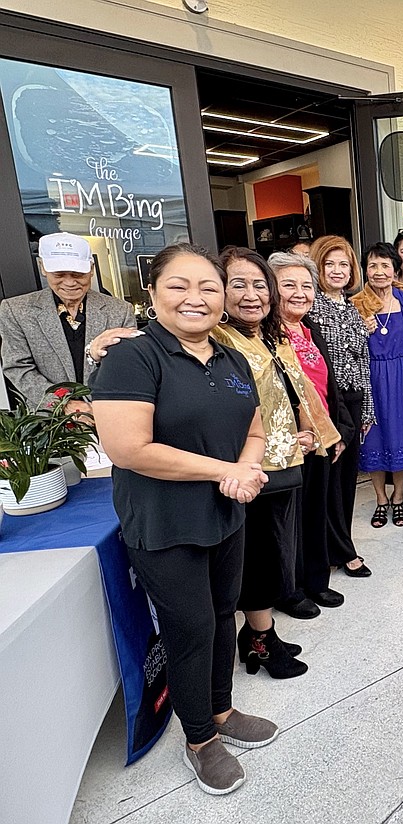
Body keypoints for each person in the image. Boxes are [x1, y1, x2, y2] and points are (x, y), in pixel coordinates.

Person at [90, 243, 278, 795]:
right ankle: (200, 739)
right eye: (179, 285)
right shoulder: (133, 355)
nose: (195, 298)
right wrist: (225, 469)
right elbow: (128, 448)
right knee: (190, 628)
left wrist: (244, 470)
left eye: (209, 287)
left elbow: (255, 428)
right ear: (151, 292)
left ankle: (220, 710)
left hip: (226, 512)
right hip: (165, 522)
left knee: (223, 614)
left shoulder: (232, 356)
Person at [217, 247, 334, 675]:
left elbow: (292, 389)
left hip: (283, 462)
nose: (251, 294)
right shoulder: (214, 337)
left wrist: (313, 432)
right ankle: (260, 639)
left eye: (259, 284)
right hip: (243, 465)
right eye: (238, 284)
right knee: (256, 555)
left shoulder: (266, 334)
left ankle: (258, 632)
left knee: (269, 549)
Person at [270, 252, 355, 613]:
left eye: (306, 285)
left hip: (320, 433)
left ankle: (316, 581)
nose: (299, 293)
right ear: (272, 289)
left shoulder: (309, 328)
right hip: (289, 439)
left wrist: (336, 430)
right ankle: (290, 590)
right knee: (290, 520)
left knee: (318, 509)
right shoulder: (268, 333)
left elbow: (327, 386)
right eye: (289, 285)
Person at [0, 232, 138, 412]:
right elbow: (18, 367)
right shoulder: (15, 310)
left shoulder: (120, 310)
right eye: (59, 274)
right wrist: (63, 405)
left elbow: (128, 367)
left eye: (78, 274)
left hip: (108, 413)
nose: (69, 282)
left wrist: (97, 407)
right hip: (48, 422)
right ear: (43, 267)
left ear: (92, 269)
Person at [308, 235, 377, 577]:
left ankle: (341, 544)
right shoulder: (311, 307)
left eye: (344, 265)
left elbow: (362, 360)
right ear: (318, 268)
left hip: (353, 399)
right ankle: (339, 551)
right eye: (330, 264)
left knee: (347, 481)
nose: (337, 271)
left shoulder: (351, 306)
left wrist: (367, 408)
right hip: (327, 403)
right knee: (329, 483)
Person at [351, 242, 403, 527]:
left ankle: (398, 498)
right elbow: (348, 349)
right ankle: (381, 498)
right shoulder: (355, 304)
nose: (379, 272)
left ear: (395, 270)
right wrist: (360, 332)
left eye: (385, 265)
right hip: (371, 379)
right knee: (374, 438)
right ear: (365, 270)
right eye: (372, 266)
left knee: (402, 435)